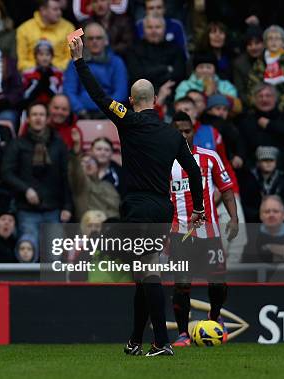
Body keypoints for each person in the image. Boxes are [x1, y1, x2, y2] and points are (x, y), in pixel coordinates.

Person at [69, 35, 204, 356]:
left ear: (131, 100)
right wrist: (198, 207)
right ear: (155, 100)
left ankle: (160, 342)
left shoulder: (127, 120)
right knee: (144, 274)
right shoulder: (173, 135)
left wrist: (79, 61)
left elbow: (98, 96)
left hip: (137, 208)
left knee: (148, 273)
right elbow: (195, 172)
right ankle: (134, 340)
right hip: (162, 209)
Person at [167, 111, 238, 347]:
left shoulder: (210, 157)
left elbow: (226, 189)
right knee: (182, 284)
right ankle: (183, 334)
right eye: (179, 132)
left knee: (218, 282)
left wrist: (234, 219)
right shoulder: (164, 161)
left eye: (187, 131)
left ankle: (215, 316)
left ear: (193, 132)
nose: (184, 135)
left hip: (210, 232)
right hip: (179, 233)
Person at [1, 102, 73, 246]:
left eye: (41, 115)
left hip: (53, 209)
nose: (38, 118)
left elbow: (66, 176)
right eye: (34, 115)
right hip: (27, 210)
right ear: (28, 119)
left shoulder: (58, 144)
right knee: (28, 254)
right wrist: (26, 189)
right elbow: (6, 172)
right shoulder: (17, 144)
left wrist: (67, 206)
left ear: (47, 119)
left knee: (53, 257)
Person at [63, 22, 128, 119]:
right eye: (90, 38)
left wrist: (108, 110)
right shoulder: (74, 63)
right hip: (81, 114)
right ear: (84, 42)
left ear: (106, 41)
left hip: (110, 115)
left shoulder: (117, 62)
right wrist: (80, 110)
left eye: (98, 38)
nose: (94, 41)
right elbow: (69, 90)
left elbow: (121, 92)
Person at [238, 83, 284, 174]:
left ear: (275, 98)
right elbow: (242, 146)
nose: (264, 99)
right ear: (254, 100)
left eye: (268, 96)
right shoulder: (247, 121)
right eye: (260, 96)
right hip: (254, 173)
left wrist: (270, 125)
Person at [68, 130, 120, 220]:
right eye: (83, 163)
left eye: (91, 162)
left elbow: (116, 208)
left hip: (109, 226)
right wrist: (76, 149)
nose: (88, 164)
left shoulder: (109, 184)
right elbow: (76, 172)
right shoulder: (81, 183)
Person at [124, 14, 185, 91]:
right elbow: (136, 76)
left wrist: (148, 71)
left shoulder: (176, 49)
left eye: (157, 27)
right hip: (143, 94)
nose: (154, 31)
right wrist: (166, 68)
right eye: (149, 27)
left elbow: (178, 75)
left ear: (164, 28)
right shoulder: (133, 50)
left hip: (170, 93)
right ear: (143, 29)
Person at [15, 0, 75, 72]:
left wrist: (52, 70)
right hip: (32, 75)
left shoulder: (70, 27)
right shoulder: (23, 29)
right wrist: (39, 70)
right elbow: (21, 62)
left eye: (60, 9)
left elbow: (72, 58)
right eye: (55, 9)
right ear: (43, 10)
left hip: (62, 74)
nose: (59, 12)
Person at [239, 146, 284, 223]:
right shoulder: (249, 181)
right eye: (264, 160)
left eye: (271, 160)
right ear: (258, 163)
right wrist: (260, 215)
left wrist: (279, 214)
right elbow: (245, 205)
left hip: (281, 221)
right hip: (255, 222)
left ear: (276, 162)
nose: (268, 163)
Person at [248, 25, 284, 112]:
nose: (273, 41)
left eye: (277, 38)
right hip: (259, 108)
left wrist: (279, 108)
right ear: (265, 44)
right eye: (270, 39)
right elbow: (253, 88)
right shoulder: (259, 63)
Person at [22, 39, 64, 107]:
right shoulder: (28, 74)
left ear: (52, 56)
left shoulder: (58, 74)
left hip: (52, 108)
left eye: (47, 54)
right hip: (32, 107)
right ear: (35, 56)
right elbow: (25, 96)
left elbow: (60, 95)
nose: (44, 58)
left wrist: (49, 87)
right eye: (41, 54)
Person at [233, 26, 264, 107]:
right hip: (251, 105)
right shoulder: (239, 63)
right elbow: (240, 91)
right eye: (250, 44)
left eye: (257, 43)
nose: (253, 47)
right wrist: (255, 103)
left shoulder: (273, 59)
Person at [253, 195, 284, 263]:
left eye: (275, 211)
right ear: (260, 215)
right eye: (267, 211)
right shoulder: (250, 238)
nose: (271, 215)